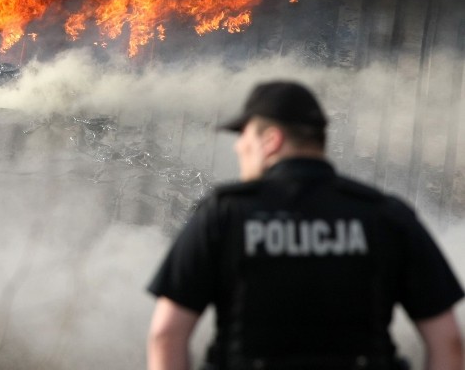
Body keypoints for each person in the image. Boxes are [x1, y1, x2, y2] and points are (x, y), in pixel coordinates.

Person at [146, 81, 464, 370]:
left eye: (244, 135)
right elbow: (448, 342)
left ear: (271, 140)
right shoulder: (385, 216)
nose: (238, 147)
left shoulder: (224, 216)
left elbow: (166, 335)